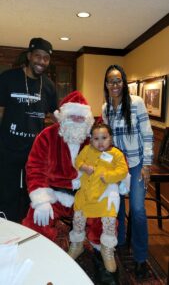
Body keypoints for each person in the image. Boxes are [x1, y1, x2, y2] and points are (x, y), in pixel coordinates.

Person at [23, 91, 105, 247]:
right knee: (36, 220)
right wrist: (41, 201)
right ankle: (40, 254)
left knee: (104, 220)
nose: (76, 120)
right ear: (63, 117)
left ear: (87, 119)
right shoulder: (47, 135)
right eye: (71, 116)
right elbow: (35, 168)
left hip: (85, 195)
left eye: (80, 117)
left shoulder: (95, 139)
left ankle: (100, 253)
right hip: (55, 194)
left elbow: (110, 159)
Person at [102, 64, 154, 280]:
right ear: (106, 84)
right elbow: (106, 140)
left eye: (118, 80)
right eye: (110, 81)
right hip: (116, 166)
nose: (114, 84)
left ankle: (141, 258)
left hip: (135, 164)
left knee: (138, 209)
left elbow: (148, 134)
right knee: (115, 207)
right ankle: (120, 243)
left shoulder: (137, 103)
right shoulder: (105, 108)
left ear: (123, 82)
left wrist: (147, 164)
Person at [0, 37, 58, 223]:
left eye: (46, 58)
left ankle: (26, 228)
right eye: (38, 56)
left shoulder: (48, 86)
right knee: (6, 192)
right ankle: (5, 229)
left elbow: (56, 115)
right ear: (29, 56)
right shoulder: (8, 78)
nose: (41, 62)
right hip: (7, 147)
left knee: (31, 192)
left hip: (34, 151)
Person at [68, 123, 129, 273]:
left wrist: (108, 176)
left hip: (105, 196)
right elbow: (77, 161)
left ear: (111, 138)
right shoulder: (87, 150)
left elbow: (123, 171)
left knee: (109, 223)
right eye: (96, 138)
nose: (100, 142)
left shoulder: (116, 154)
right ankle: (77, 245)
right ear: (91, 140)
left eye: (104, 138)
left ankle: (107, 249)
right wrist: (83, 167)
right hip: (86, 194)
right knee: (78, 219)